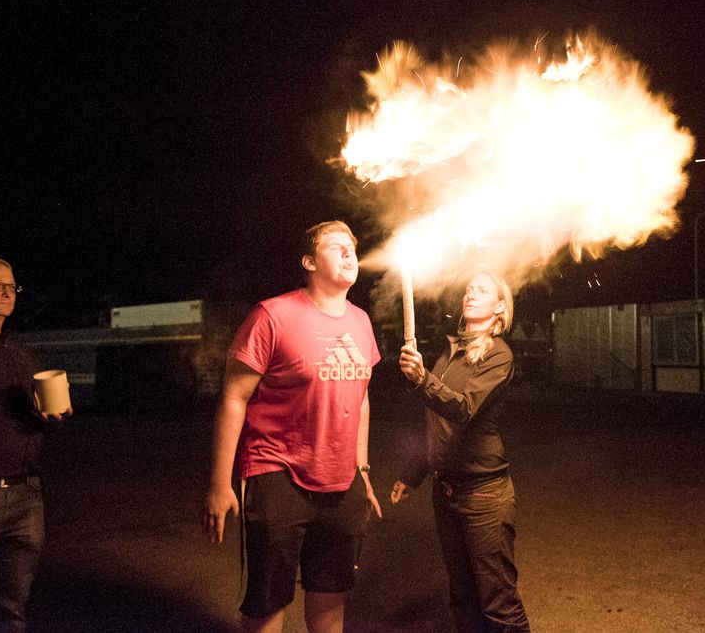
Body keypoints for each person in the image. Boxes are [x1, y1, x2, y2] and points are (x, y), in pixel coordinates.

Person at [202, 221, 382, 633]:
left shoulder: (361, 322)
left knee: (330, 596)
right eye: (336, 246)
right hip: (277, 473)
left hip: (342, 480)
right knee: (268, 602)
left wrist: (364, 471)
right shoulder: (273, 315)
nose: (349, 253)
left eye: (352, 246)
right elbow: (234, 398)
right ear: (308, 262)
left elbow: (362, 399)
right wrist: (219, 483)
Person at [392, 272, 530, 632]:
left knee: (498, 603)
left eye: (482, 290)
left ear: (500, 307)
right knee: (462, 597)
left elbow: (464, 408)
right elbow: (436, 419)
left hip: (484, 493)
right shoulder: (451, 351)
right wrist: (413, 473)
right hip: (446, 490)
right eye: (469, 288)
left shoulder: (499, 355)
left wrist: (423, 380)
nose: (471, 293)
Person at [0, 257, 70, 632]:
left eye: (12, 286)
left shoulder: (19, 353)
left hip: (26, 493)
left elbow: (34, 415)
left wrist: (51, 415)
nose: (7, 292)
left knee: (10, 610)